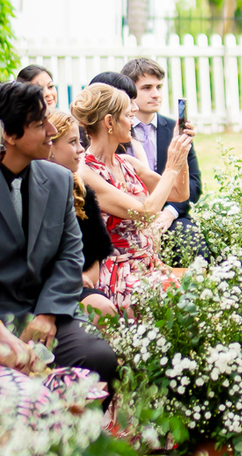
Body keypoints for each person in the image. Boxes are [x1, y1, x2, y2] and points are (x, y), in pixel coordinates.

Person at [0, 77, 118, 396]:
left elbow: (70, 255)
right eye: (40, 124)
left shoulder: (59, 179)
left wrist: (47, 314)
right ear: (10, 135)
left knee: (99, 359)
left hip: (47, 309)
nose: (52, 131)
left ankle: (72, 428)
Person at [75, 83, 192, 309]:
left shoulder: (127, 163)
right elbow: (145, 213)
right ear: (110, 122)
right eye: (128, 116)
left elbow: (179, 193)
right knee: (182, 306)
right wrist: (171, 167)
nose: (133, 121)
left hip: (150, 266)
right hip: (120, 275)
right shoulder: (86, 173)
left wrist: (181, 151)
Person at [121, 55, 202, 243]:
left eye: (159, 87)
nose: (156, 94)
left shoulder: (175, 129)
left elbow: (194, 183)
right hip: (127, 214)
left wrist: (169, 213)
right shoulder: (117, 130)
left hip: (169, 213)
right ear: (128, 92)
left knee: (193, 241)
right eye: (147, 88)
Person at [47, 109, 115, 316]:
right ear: (50, 145)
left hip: (78, 284)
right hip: (40, 284)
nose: (81, 149)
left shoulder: (82, 192)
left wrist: (81, 279)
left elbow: (94, 259)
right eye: (72, 142)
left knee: (104, 309)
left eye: (80, 141)